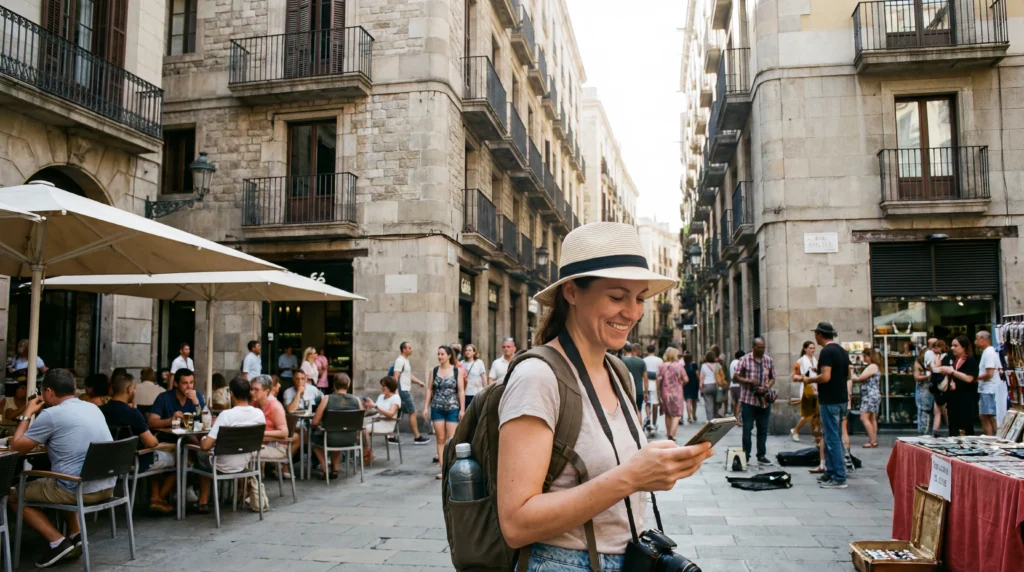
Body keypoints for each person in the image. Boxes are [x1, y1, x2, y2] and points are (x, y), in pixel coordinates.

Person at [497, 222, 713, 569]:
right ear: (571, 292)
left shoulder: (619, 372)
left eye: (639, 297)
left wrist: (661, 468)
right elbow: (516, 523)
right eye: (617, 296)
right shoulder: (538, 377)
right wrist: (633, 476)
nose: (633, 312)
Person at [8, 369, 113, 567]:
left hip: (79, 488)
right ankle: (76, 535)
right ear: (74, 388)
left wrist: (27, 413)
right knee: (63, 476)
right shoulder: (92, 407)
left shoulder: (51, 414)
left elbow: (16, 448)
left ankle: (58, 542)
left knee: (14, 494)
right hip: (106, 486)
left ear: (48, 392)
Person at [100, 373, 176, 514]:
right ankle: (158, 499)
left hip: (106, 463)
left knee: (158, 455)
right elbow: (151, 443)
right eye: (134, 388)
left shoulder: (100, 411)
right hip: (134, 462)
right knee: (179, 459)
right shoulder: (132, 414)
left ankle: (156, 497)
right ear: (129, 389)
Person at [196, 376, 265, 513]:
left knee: (199, 453)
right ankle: (204, 500)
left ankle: (202, 499)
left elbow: (205, 446)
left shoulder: (226, 415)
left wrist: (203, 438)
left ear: (231, 394)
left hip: (220, 464)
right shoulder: (259, 414)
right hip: (244, 463)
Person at [805, 322, 850, 489]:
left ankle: (839, 477)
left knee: (832, 438)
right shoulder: (842, 351)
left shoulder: (826, 351)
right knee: (833, 436)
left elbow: (825, 377)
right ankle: (830, 473)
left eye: (815, 334)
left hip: (830, 400)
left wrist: (809, 379)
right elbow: (848, 375)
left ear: (819, 335)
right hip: (841, 399)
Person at [424, 345, 465, 479]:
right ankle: (443, 469)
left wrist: (462, 409)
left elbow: (460, 390)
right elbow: (429, 389)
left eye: (442, 354)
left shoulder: (456, 371)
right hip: (437, 407)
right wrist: (425, 407)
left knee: (451, 439)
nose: (439, 356)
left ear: (448, 356)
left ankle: (451, 467)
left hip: (452, 407)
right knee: (440, 439)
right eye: (438, 354)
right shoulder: (434, 371)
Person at [312, 373, 364, 477]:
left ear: (334, 385)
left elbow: (314, 422)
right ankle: (335, 469)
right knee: (339, 433)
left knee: (314, 441)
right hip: (351, 439)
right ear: (348, 385)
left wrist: (319, 427)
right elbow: (360, 421)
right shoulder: (357, 400)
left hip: (331, 438)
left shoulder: (327, 398)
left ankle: (325, 467)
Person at [734, 338, 776, 466]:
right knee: (747, 429)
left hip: (763, 401)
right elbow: (735, 377)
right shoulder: (744, 360)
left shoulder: (768, 360)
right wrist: (749, 381)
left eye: (763, 347)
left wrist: (767, 386)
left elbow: (773, 377)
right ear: (753, 347)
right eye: (759, 347)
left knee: (762, 429)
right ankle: (745, 455)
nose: (762, 350)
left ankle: (761, 455)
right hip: (748, 400)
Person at [249, 375, 293, 478]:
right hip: (260, 444)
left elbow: (284, 432)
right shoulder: (254, 404)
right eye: (251, 389)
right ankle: (245, 486)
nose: (252, 392)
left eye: (256, 389)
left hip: (277, 447)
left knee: (243, 453)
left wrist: (259, 433)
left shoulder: (275, 406)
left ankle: (249, 487)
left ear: (266, 391)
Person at [938, 335, 979, 437]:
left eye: (956, 346)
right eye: (952, 345)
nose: (952, 348)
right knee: (953, 429)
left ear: (964, 347)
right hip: (953, 400)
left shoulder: (969, 360)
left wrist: (952, 372)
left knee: (966, 429)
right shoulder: (953, 360)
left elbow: (969, 378)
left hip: (965, 401)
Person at [148, 368, 206, 436]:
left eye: (191, 382)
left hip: (191, 439)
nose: (189, 387)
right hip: (168, 439)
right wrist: (170, 421)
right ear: (176, 383)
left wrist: (196, 404)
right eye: (185, 383)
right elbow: (151, 422)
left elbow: (205, 421)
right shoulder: (163, 397)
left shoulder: (197, 396)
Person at [392, 341, 429, 445]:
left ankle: (390, 435)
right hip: (402, 390)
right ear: (404, 349)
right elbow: (396, 376)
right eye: (410, 348)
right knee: (412, 411)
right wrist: (396, 391)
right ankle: (417, 436)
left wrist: (418, 382)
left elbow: (407, 375)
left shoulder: (405, 361)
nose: (411, 349)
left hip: (404, 390)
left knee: (398, 412)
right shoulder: (400, 361)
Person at [361, 376, 403, 465]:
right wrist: (368, 406)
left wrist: (375, 406)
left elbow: (391, 414)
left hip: (387, 423)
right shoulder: (381, 396)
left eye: (385, 386)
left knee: (365, 430)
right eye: (382, 385)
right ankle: (366, 453)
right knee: (358, 428)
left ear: (390, 387)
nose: (382, 388)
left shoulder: (395, 398)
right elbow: (375, 410)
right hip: (377, 420)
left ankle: (367, 454)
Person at [851, 348, 882, 448]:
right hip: (873, 394)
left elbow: (859, 378)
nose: (863, 358)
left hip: (869, 395)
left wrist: (851, 373)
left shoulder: (872, 366)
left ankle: (872, 440)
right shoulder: (874, 366)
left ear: (870, 356)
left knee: (864, 417)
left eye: (865, 356)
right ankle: (873, 440)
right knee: (872, 417)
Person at [657, 347, 687, 441]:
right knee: (677, 415)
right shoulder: (679, 366)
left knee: (668, 414)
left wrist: (658, 391)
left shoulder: (661, 366)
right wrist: (680, 383)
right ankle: (672, 434)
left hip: (664, 392)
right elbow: (686, 379)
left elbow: (658, 379)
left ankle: (668, 433)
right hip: (676, 392)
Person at [975, 331, 1002, 436]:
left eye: (977, 339)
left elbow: (989, 373)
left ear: (983, 339)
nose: (976, 341)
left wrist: (974, 378)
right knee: (984, 415)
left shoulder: (989, 352)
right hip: (985, 388)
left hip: (989, 388)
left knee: (989, 416)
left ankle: (995, 438)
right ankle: (990, 438)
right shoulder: (988, 352)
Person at [791, 342, 818, 441]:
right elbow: (794, 376)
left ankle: (814, 434)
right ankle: (796, 430)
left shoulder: (815, 360)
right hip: (806, 388)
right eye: (810, 348)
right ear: (805, 349)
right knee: (808, 414)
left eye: (814, 348)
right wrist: (802, 377)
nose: (813, 350)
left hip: (816, 387)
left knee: (815, 413)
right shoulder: (801, 361)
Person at [929, 339, 949, 437]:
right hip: (938, 387)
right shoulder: (938, 357)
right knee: (938, 410)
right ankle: (935, 431)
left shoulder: (944, 358)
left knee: (943, 410)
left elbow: (937, 370)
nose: (934, 350)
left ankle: (948, 428)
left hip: (941, 386)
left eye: (936, 348)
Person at [621, 343, 648, 415]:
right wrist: (646, 392)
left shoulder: (623, 361)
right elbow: (645, 379)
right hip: (639, 391)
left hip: (627, 390)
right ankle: (639, 426)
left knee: (628, 413)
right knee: (638, 411)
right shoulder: (641, 362)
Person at [642, 344, 664, 433]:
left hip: (646, 383)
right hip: (655, 384)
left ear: (647, 351)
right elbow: (661, 372)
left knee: (647, 403)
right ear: (655, 350)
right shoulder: (659, 360)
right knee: (655, 404)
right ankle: (654, 423)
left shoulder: (644, 360)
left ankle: (648, 419)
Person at [913, 350, 933, 436]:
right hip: (923, 391)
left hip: (928, 391)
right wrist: (928, 376)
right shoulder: (918, 363)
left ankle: (927, 430)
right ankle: (923, 430)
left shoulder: (928, 363)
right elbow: (917, 377)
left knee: (927, 410)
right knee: (923, 410)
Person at [462, 344, 487, 408]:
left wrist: (486, 389)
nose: (467, 352)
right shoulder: (462, 363)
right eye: (466, 350)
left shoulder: (479, 362)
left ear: (474, 352)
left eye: (470, 350)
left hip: (477, 392)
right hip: (466, 392)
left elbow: (483, 376)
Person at [699, 351, 721, 423]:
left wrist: (701, 387)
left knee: (709, 404)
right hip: (716, 385)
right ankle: (715, 417)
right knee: (715, 403)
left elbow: (702, 378)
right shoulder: (717, 365)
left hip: (707, 386)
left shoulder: (704, 366)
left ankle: (710, 420)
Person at [682, 350, 699, 426]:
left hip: (686, 384)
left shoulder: (684, 367)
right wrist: (700, 381)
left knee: (688, 400)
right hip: (694, 384)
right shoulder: (694, 366)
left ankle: (689, 417)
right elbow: (697, 374)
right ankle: (694, 414)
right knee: (694, 400)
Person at [729, 350, 744, 420]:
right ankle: (738, 419)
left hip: (732, 385)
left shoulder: (732, 363)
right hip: (738, 385)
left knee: (735, 402)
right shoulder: (739, 362)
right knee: (739, 402)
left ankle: (735, 417)